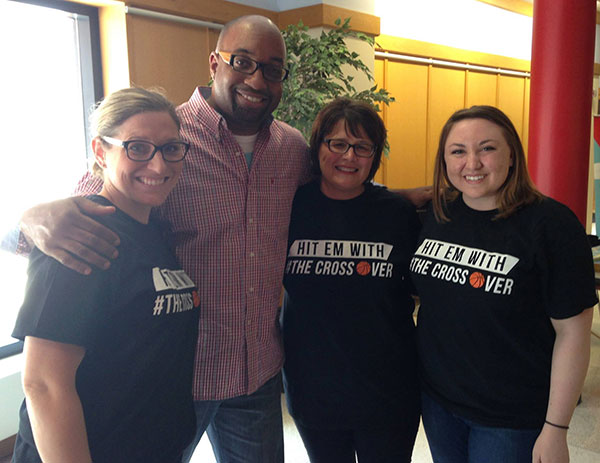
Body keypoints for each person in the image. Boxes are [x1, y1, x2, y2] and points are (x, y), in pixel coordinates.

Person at [16, 15, 430, 463]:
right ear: (215, 62)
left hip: (258, 373)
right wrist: (25, 221)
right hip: (178, 375)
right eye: (243, 62)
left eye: (272, 69)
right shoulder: (163, 140)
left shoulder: (291, 150)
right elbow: (77, 216)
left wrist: (397, 199)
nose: (257, 78)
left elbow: (340, 187)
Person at [11, 87, 200, 463]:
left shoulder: (153, 230)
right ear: (101, 151)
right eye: (138, 148)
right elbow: (44, 384)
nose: (159, 166)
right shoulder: (80, 234)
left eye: (170, 149)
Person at [409, 105, 597, 463]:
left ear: (512, 155)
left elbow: (573, 334)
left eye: (487, 148)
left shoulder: (551, 225)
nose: (472, 163)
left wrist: (556, 428)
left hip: (510, 419)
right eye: (458, 151)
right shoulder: (438, 213)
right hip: (438, 402)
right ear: (445, 161)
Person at [281, 98, 421, 463]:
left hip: (388, 391)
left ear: (374, 155)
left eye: (362, 147)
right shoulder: (290, 208)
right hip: (313, 389)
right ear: (318, 147)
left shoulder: (398, 214)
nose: (349, 156)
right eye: (337, 143)